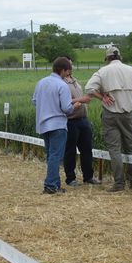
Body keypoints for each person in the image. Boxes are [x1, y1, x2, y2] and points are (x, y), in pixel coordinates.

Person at [85, 46, 132, 192]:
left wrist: (102, 96)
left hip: (111, 114)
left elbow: (89, 88)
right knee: (131, 148)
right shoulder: (131, 70)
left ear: (107, 58)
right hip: (128, 114)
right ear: (120, 57)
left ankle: (119, 184)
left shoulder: (103, 71)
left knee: (115, 150)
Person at [32, 57, 83, 194]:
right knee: (56, 156)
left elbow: (35, 101)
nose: (68, 74)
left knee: (50, 155)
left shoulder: (41, 82)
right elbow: (67, 108)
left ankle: (53, 183)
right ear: (63, 70)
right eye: (67, 71)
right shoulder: (62, 85)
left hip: (43, 124)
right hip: (58, 125)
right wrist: (76, 106)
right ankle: (51, 185)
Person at [63, 58, 100, 186]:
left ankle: (88, 177)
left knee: (87, 149)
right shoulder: (60, 83)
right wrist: (82, 99)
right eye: (69, 65)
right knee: (70, 151)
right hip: (70, 120)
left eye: (71, 64)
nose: (71, 67)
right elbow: (63, 102)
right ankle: (70, 178)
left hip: (83, 119)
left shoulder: (74, 80)